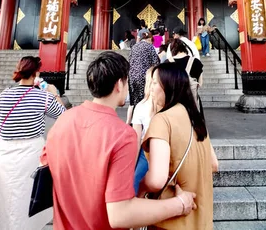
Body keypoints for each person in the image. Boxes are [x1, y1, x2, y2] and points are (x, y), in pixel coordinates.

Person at [41, 51, 196, 230]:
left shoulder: (63, 121)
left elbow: (47, 169)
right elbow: (120, 214)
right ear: (119, 84)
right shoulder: (122, 135)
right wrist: (180, 204)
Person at [0, 56, 66, 230]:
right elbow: (65, 115)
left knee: (1, 204)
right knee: (24, 203)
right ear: (36, 73)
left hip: (3, 153)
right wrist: (54, 93)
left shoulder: (3, 96)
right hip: (29, 153)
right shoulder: (43, 98)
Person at [141, 63, 218, 230]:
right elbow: (214, 165)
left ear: (168, 85)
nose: (150, 88)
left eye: (154, 83)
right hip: (201, 220)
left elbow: (156, 180)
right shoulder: (196, 119)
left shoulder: (162, 120)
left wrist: (133, 186)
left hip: (171, 220)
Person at [132, 67, 156, 194]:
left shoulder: (140, 106)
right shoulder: (171, 105)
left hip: (145, 152)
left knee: (135, 181)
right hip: (156, 150)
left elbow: (136, 139)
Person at [126, 31, 159, 124]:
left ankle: (128, 122)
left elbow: (130, 60)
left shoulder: (134, 47)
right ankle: (141, 123)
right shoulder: (149, 47)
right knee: (143, 100)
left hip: (132, 76)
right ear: (149, 39)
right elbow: (156, 63)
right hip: (143, 77)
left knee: (133, 101)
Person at [169, 39, 204, 107]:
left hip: (173, 104)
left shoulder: (167, 62)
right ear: (185, 48)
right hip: (191, 104)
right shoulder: (196, 62)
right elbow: (200, 83)